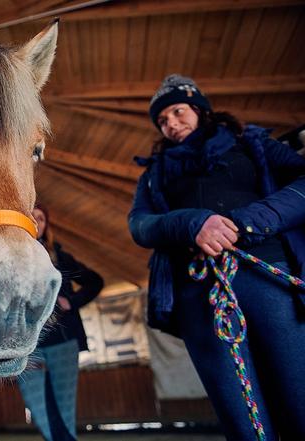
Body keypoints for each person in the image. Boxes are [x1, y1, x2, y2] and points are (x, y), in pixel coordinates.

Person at [128, 74, 305, 440]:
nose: (171, 124)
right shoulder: (154, 175)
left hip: (271, 277)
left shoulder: (251, 143)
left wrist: (249, 222)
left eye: (178, 112)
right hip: (200, 296)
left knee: (298, 399)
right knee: (242, 420)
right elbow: (140, 226)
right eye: (162, 121)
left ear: (200, 109)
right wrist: (193, 223)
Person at [18, 204, 103, 441]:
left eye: (41, 218)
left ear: (46, 225)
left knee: (64, 405)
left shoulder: (60, 256)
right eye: (31, 217)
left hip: (63, 341)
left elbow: (95, 281)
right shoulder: (12, 256)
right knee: (37, 404)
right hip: (28, 344)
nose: (37, 222)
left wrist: (73, 301)